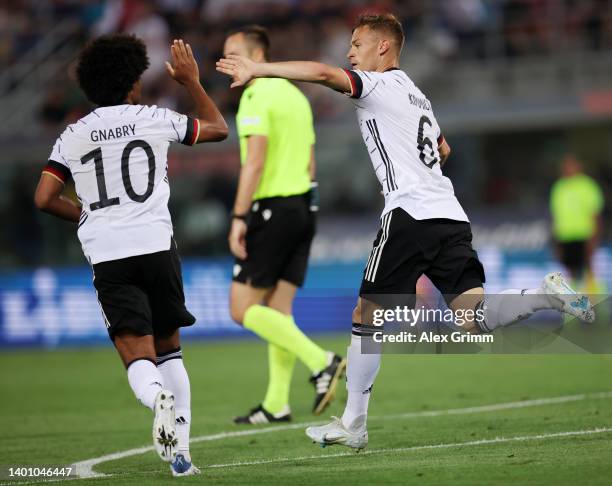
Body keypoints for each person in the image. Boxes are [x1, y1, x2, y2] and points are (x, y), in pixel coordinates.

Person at [217, 13, 594, 449]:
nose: (349, 52)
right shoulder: (418, 95)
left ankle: (353, 425)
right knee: (474, 318)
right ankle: (548, 296)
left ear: (382, 48)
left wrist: (258, 69)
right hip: (449, 215)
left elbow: (322, 73)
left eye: (356, 44)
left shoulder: (376, 84)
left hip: (410, 215)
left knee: (365, 317)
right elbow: (443, 147)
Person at [34, 34, 228, 476]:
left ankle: (154, 396)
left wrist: (83, 213)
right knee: (170, 351)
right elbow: (217, 128)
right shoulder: (152, 116)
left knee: (136, 355)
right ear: (132, 83)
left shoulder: (73, 135)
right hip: (158, 247)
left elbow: (44, 197)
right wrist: (193, 82)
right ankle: (182, 455)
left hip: (109, 254)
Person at [222, 25, 346, 425]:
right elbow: (310, 163)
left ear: (256, 55)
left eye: (234, 53)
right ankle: (277, 404)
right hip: (303, 208)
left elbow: (254, 161)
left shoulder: (257, 94)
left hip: (272, 208)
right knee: (279, 310)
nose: (226, 61)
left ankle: (322, 361)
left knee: (242, 309)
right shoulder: (295, 95)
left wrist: (240, 216)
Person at [550, 154, 605, 293]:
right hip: (565, 237)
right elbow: (556, 216)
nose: (568, 169)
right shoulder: (559, 187)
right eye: (565, 166)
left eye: (571, 165)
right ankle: (575, 307)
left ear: (578, 167)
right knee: (571, 273)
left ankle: (597, 306)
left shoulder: (587, 185)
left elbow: (596, 214)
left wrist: (594, 238)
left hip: (584, 235)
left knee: (589, 271)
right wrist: (556, 241)